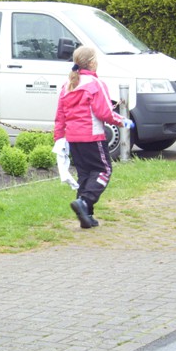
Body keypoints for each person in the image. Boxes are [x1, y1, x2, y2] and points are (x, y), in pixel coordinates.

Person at [54, 45, 133, 229]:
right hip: (92, 137)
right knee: (103, 170)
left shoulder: (68, 85)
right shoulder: (96, 84)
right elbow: (104, 113)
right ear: (91, 63)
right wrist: (123, 121)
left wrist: (59, 138)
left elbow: (60, 116)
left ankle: (86, 216)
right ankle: (85, 201)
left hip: (73, 139)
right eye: (95, 59)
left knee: (85, 175)